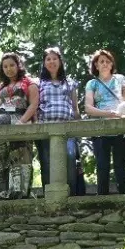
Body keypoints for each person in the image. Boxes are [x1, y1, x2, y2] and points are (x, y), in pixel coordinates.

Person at [35, 47, 82, 194]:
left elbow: (75, 108)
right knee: (47, 162)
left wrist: (78, 129)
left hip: (67, 127)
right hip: (45, 127)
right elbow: (35, 106)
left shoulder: (70, 82)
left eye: (54, 58)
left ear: (60, 61)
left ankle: (71, 195)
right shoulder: (38, 83)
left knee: (69, 157)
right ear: (44, 63)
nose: (51, 61)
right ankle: (49, 197)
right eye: (48, 59)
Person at [0, 52, 37, 199]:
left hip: (20, 123)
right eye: (5, 66)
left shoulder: (29, 82)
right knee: (1, 160)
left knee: (20, 158)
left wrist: (22, 121)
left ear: (18, 65)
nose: (9, 69)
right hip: (1, 128)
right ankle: (3, 193)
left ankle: (20, 192)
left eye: (12, 65)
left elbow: (34, 104)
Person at [84, 49, 125, 195]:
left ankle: (124, 195)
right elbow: (88, 108)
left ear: (111, 64)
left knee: (120, 164)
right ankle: (101, 197)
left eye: (107, 61)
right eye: (101, 61)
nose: (104, 64)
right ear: (96, 65)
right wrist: (109, 114)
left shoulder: (120, 79)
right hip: (100, 128)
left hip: (120, 127)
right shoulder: (92, 84)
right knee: (102, 165)